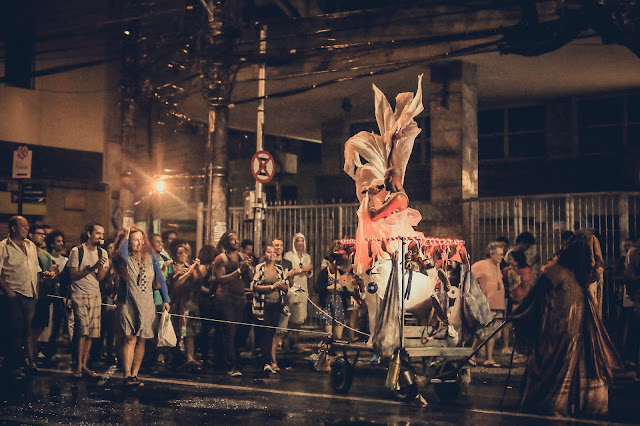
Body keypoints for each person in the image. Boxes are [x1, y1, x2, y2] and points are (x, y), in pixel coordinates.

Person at [512, 232, 622, 417]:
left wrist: (518, 316)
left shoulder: (557, 273)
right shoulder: (580, 276)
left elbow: (533, 302)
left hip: (557, 333)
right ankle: (576, 405)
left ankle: (554, 405)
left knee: (552, 368)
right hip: (574, 332)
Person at [113, 226, 170, 387]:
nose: (138, 243)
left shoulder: (150, 256)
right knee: (129, 338)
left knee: (142, 339)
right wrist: (125, 235)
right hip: (128, 300)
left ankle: (135, 374)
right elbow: (123, 254)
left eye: (140, 239)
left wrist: (166, 299)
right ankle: (127, 375)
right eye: (134, 240)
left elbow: (160, 277)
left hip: (147, 301)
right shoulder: (123, 257)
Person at [0, 216, 44, 377]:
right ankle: (13, 365)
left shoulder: (31, 246)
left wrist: (36, 289)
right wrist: (9, 291)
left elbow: (35, 269)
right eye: (23, 226)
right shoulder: (3, 247)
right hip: (13, 295)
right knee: (15, 331)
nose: (27, 229)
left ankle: (28, 361)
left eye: (27, 226)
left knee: (27, 330)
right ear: (13, 228)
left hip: (30, 293)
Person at [68, 223, 109, 378]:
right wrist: (92, 268)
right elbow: (73, 275)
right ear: (90, 234)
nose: (101, 236)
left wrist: (102, 268)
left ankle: (84, 364)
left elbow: (100, 278)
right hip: (79, 294)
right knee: (82, 330)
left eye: (102, 234)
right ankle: (77, 365)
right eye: (98, 233)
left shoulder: (102, 252)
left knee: (91, 332)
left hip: (95, 294)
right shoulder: (77, 251)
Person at [212, 231, 252, 377]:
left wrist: (249, 269)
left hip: (240, 297)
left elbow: (251, 277)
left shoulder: (244, 257)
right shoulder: (220, 259)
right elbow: (221, 279)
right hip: (225, 297)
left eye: (237, 238)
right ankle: (231, 364)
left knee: (240, 331)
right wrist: (239, 270)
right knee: (229, 330)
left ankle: (235, 360)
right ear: (226, 242)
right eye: (232, 239)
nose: (236, 241)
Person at [251, 245, 288, 374]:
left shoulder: (280, 269)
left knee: (272, 332)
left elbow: (286, 288)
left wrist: (281, 285)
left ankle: (269, 361)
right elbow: (255, 286)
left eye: (274, 252)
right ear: (264, 255)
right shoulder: (260, 268)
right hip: (263, 305)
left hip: (277, 304)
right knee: (264, 332)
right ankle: (264, 361)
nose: (272, 254)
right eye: (269, 252)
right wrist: (272, 286)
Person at [469, 242, 505, 367]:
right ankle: (471, 353)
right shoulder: (480, 265)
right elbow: (469, 279)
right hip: (486, 304)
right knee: (483, 331)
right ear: (492, 254)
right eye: (500, 254)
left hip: (498, 304)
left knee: (493, 332)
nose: (502, 257)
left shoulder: (497, 265)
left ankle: (489, 358)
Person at [168, 240, 202, 369]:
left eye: (185, 252)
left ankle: (190, 357)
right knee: (177, 330)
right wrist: (186, 274)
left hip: (190, 302)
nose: (183, 255)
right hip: (177, 302)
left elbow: (199, 281)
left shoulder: (189, 267)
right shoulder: (172, 267)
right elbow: (174, 283)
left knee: (190, 331)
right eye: (179, 253)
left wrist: (197, 269)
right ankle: (175, 357)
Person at [28, 225, 58, 369]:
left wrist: (53, 272)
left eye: (43, 234)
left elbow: (52, 269)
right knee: (29, 327)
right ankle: (30, 356)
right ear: (30, 235)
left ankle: (32, 353)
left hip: (44, 296)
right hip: (30, 294)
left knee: (39, 327)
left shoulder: (46, 255)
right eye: (39, 234)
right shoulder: (27, 252)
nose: (42, 236)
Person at [282, 233, 313, 351]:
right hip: (293, 288)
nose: (300, 243)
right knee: (291, 317)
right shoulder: (288, 256)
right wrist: (302, 270)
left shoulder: (307, 256)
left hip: (303, 288)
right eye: (297, 241)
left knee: (300, 317)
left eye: (302, 241)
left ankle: (296, 340)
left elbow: (309, 273)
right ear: (294, 242)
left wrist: (306, 270)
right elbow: (289, 272)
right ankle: (287, 340)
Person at [501, 250, 534, 355]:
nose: (509, 260)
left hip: (523, 300)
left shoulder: (525, 271)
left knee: (519, 325)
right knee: (509, 323)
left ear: (517, 260)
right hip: (514, 300)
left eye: (511, 259)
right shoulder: (509, 270)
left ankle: (519, 348)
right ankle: (507, 346)